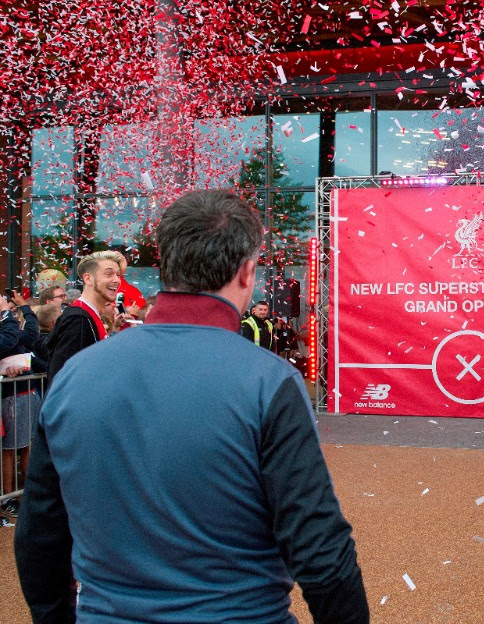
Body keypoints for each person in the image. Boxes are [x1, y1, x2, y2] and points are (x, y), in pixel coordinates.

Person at [15, 189, 368, 624]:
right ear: (247, 272)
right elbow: (321, 552)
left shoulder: (76, 375)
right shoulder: (268, 381)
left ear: (168, 265)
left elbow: (39, 533)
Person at [44, 252, 122, 383]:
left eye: (117, 275)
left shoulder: (87, 315)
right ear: (88, 279)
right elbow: (64, 376)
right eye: (109, 274)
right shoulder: (78, 320)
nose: (117, 280)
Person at [0, 291, 42, 518]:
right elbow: (8, 341)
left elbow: (31, 335)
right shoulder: (6, 328)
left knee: (27, 445)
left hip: (28, 391)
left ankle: (23, 492)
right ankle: (8, 496)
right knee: (9, 449)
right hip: (10, 395)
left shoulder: (10, 327)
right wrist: (6, 315)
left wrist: (24, 307)